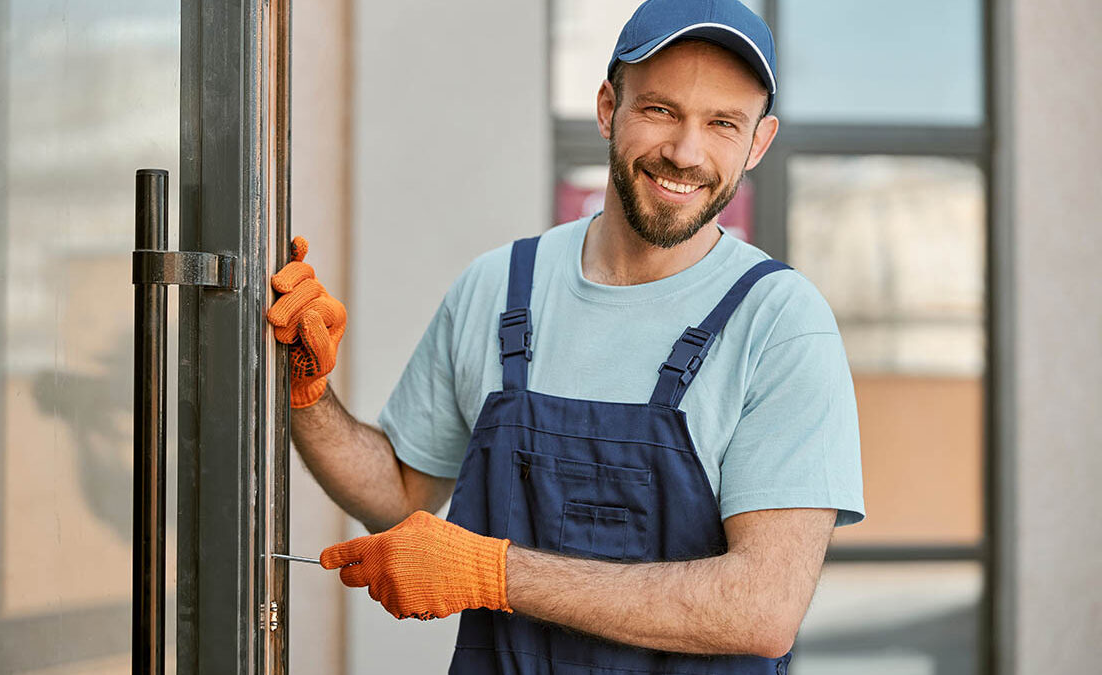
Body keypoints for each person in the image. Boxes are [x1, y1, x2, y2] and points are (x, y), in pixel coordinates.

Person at [267, 0, 864, 672]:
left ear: (758, 142)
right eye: (660, 109)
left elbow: (761, 606)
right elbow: (402, 493)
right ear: (609, 107)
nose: (685, 151)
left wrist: (492, 572)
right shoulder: (496, 288)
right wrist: (305, 391)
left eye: (722, 123)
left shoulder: (780, 325)